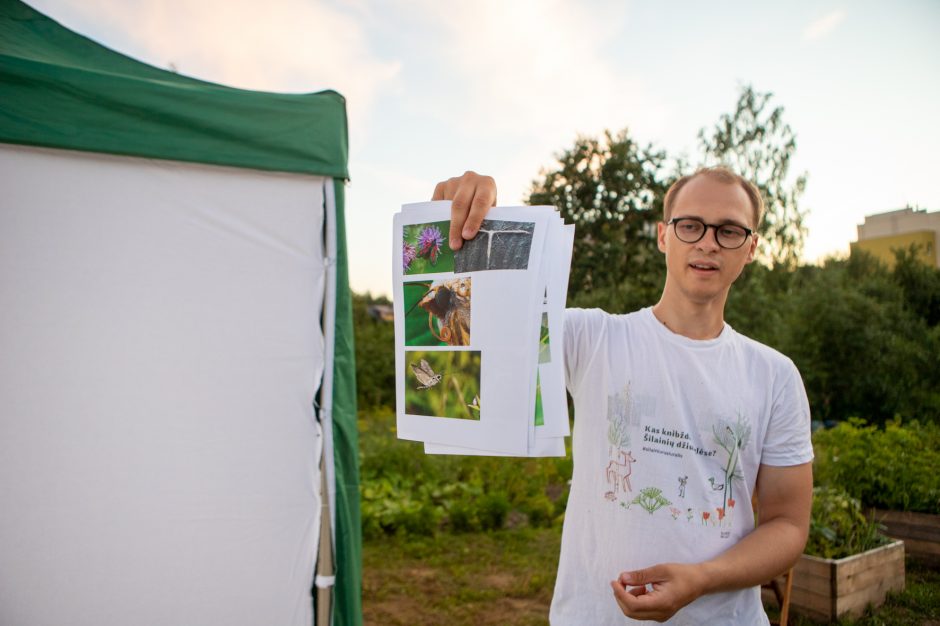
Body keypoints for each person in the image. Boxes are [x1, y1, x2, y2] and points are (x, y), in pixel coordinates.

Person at [431, 169, 813, 624]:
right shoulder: (590, 337)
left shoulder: (774, 375)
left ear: (750, 248)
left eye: (729, 231)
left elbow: (787, 526)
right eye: (690, 225)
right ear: (663, 236)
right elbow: (471, 331)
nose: (708, 242)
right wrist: (469, 218)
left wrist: (703, 578)